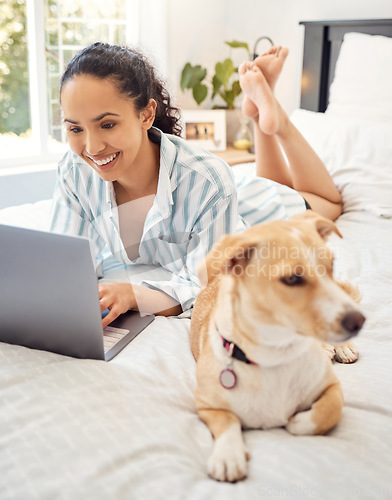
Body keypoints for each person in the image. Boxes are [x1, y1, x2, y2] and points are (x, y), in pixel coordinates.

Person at [50, 42, 340, 327]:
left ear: (146, 115)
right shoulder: (74, 172)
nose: (92, 146)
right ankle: (257, 117)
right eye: (75, 128)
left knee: (328, 202)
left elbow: (212, 287)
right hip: (229, 196)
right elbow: (62, 263)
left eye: (107, 124)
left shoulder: (208, 182)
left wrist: (133, 295)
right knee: (268, 179)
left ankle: (276, 123)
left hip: (254, 209)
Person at [239, 46, 342, 221]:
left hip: (239, 203)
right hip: (246, 203)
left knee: (275, 193)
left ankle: (259, 114)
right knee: (332, 202)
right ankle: (280, 122)